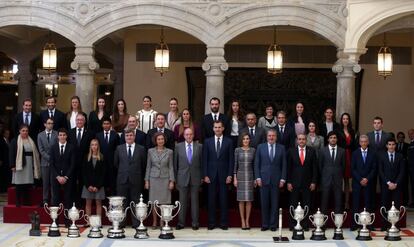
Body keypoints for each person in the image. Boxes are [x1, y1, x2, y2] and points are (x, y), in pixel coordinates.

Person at [203, 120, 234, 230]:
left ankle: (223, 223)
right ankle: (211, 223)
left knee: (223, 200)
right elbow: (205, 160)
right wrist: (205, 175)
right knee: (211, 200)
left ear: (223, 128)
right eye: (215, 127)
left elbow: (231, 160)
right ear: (213, 129)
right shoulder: (207, 142)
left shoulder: (229, 142)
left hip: (224, 175)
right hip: (210, 176)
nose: (217, 129)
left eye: (219, 127)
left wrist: (230, 175)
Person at [255, 129, 286, 231]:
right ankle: (264, 224)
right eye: (269, 136)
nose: (271, 137)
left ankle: (273, 225)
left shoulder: (281, 148)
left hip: (276, 180)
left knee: (275, 203)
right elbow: (257, 164)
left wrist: (282, 179)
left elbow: (284, 165)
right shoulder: (260, 147)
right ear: (267, 137)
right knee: (264, 204)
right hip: (263, 180)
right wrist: (258, 177)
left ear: (276, 137)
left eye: (273, 136)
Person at [114, 128, 146, 228]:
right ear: (124, 137)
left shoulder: (141, 149)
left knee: (136, 201)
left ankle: (136, 223)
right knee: (122, 202)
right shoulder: (119, 148)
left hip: (136, 180)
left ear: (134, 136)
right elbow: (116, 164)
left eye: (131, 135)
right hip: (122, 179)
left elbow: (143, 165)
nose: (129, 137)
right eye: (127, 135)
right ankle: (122, 222)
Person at [286, 134, 318, 231]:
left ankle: (305, 224)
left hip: (307, 183)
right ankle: (293, 224)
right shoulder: (291, 151)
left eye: (303, 139)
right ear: (297, 141)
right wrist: (289, 182)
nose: (301, 141)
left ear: (306, 140)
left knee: (306, 204)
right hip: (294, 183)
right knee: (293, 204)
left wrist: (314, 182)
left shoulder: (311, 151)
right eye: (299, 139)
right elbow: (288, 168)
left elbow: (315, 168)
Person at [174, 128, 203, 230]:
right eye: (187, 135)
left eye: (190, 134)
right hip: (182, 177)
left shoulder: (199, 147)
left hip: (196, 177)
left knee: (195, 201)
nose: (189, 136)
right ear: (184, 136)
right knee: (182, 201)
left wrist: (202, 177)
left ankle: (195, 223)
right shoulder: (178, 147)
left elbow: (202, 163)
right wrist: (175, 179)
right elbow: (175, 164)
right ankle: (181, 223)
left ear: (193, 135)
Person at [145, 132, 175, 228]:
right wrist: (146, 180)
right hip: (153, 179)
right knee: (154, 202)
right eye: (158, 139)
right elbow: (148, 167)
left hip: (165, 179)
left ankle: (162, 221)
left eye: (162, 139)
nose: (160, 141)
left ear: (164, 140)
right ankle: (154, 222)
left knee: (164, 202)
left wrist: (172, 181)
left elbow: (171, 167)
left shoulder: (169, 152)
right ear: (155, 141)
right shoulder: (150, 151)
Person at [9, 124, 41, 207]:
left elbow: (35, 153)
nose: (25, 132)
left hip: (29, 164)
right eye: (23, 130)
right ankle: (18, 201)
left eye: (26, 131)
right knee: (19, 184)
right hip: (19, 165)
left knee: (27, 184)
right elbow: (11, 153)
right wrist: (12, 165)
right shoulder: (15, 140)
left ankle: (26, 201)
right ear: (19, 131)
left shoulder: (31, 140)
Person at [50, 128, 76, 224]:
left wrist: (65, 177)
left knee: (68, 199)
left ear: (66, 136)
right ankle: (54, 221)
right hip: (56, 177)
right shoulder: (53, 147)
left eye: (64, 135)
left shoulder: (71, 147)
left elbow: (72, 164)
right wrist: (57, 176)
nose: (62, 137)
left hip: (67, 178)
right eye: (60, 135)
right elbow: (51, 164)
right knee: (55, 199)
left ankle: (67, 221)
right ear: (58, 136)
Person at [350, 135, 377, 231]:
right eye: (362, 141)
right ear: (359, 143)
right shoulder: (355, 153)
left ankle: (368, 224)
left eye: (365, 141)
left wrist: (367, 179)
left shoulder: (373, 153)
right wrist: (360, 179)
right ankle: (354, 224)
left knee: (368, 203)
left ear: (368, 142)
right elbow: (352, 169)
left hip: (369, 182)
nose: (364, 143)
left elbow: (374, 169)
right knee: (355, 203)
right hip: (357, 183)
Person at [378, 138, 405, 231]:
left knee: (396, 205)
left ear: (395, 145)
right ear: (386, 146)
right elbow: (380, 171)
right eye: (389, 144)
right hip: (386, 185)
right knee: (385, 204)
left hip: (397, 186)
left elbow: (402, 172)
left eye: (393, 144)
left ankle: (395, 224)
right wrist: (388, 183)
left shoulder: (400, 156)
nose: (391, 146)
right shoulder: (382, 156)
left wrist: (396, 183)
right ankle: (384, 224)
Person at [68, 114, 94, 204]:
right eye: (77, 120)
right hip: (72, 163)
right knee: (72, 183)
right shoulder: (70, 132)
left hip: (85, 162)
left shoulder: (90, 133)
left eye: (81, 120)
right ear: (75, 121)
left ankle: (82, 202)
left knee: (83, 183)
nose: (79, 121)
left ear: (84, 121)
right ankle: (73, 202)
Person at [319, 131, 345, 215]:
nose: (333, 139)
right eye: (331, 138)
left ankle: (338, 225)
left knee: (338, 201)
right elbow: (320, 166)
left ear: (337, 139)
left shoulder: (342, 151)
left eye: (334, 138)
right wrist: (323, 177)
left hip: (337, 180)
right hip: (326, 179)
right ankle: (323, 225)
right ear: (328, 139)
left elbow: (343, 166)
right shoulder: (323, 150)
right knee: (324, 201)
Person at [233, 132, 256, 230]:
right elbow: (235, 165)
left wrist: (255, 178)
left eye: (247, 138)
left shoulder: (253, 150)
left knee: (249, 200)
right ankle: (242, 220)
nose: (246, 140)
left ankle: (247, 221)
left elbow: (255, 165)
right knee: (241, 200)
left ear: (249, 140)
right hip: (240, 176)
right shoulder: (237, 150)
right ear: (241, 140)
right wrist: (234, 178)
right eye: (244, 139)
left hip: (250, 176)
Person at [337, 113, 357, 210]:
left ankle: (346, 203)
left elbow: (354, 145)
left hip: (350, 156)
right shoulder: (338, 131)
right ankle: (339, 202)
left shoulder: (352, 131)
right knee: (339, 181)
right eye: (343, 119)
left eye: (347, 119)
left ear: (349, 120)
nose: (345, 120)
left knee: (347, 181)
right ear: (341, 120)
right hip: (341, 156)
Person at [96, 117, 120, 195]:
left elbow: (118, 149)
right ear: (102, 125)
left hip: (112, 163)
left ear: (110, 125)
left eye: (108, 124)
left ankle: (113, 200)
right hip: (101, 162)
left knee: (112, 182)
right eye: (104, 124)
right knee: (102, 182)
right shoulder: (98, 135)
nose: (106, 125)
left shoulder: (115, 135)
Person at [82, 139, 106, 218]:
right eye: (92, 144)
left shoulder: (102, 157)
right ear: (90, 146)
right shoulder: (86, 157)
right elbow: (84, 173)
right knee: (88, 203)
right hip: (88, 185)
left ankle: (98, 222)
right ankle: (88, 221)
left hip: (99, 185)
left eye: (96, 144)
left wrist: (98, 186)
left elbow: (103, 174)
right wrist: (88, 185)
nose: (94, 146)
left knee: (98, 203)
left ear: (98, 146)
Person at [37, 118, 58, 205]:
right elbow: (41, 150)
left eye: (52, 123)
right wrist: (49, 158)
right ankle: (45, 200)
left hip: (54, 163)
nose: (50, 125)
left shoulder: (56, 134)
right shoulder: (40, 135)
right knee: (45, 183)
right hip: (44, 163)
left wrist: (53, 159)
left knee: (53, 183)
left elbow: (57, 147)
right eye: (49, 123)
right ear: (45, 124)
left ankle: (54, 201)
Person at [0, 125, 10, 192]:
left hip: (7, 160)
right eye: (6, 133)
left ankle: (6, 188)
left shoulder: (8, 140)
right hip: (3, 160)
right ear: (3, 134)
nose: (8, 135)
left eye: (8, 134)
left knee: (6, 174)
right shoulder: (1, 141)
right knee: (2, 175)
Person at [407, 129, 414, 207]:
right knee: (412, 186)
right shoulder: (410, 144)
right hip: (411, 169)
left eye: (412, 133)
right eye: (409, 134)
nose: (410, 135)